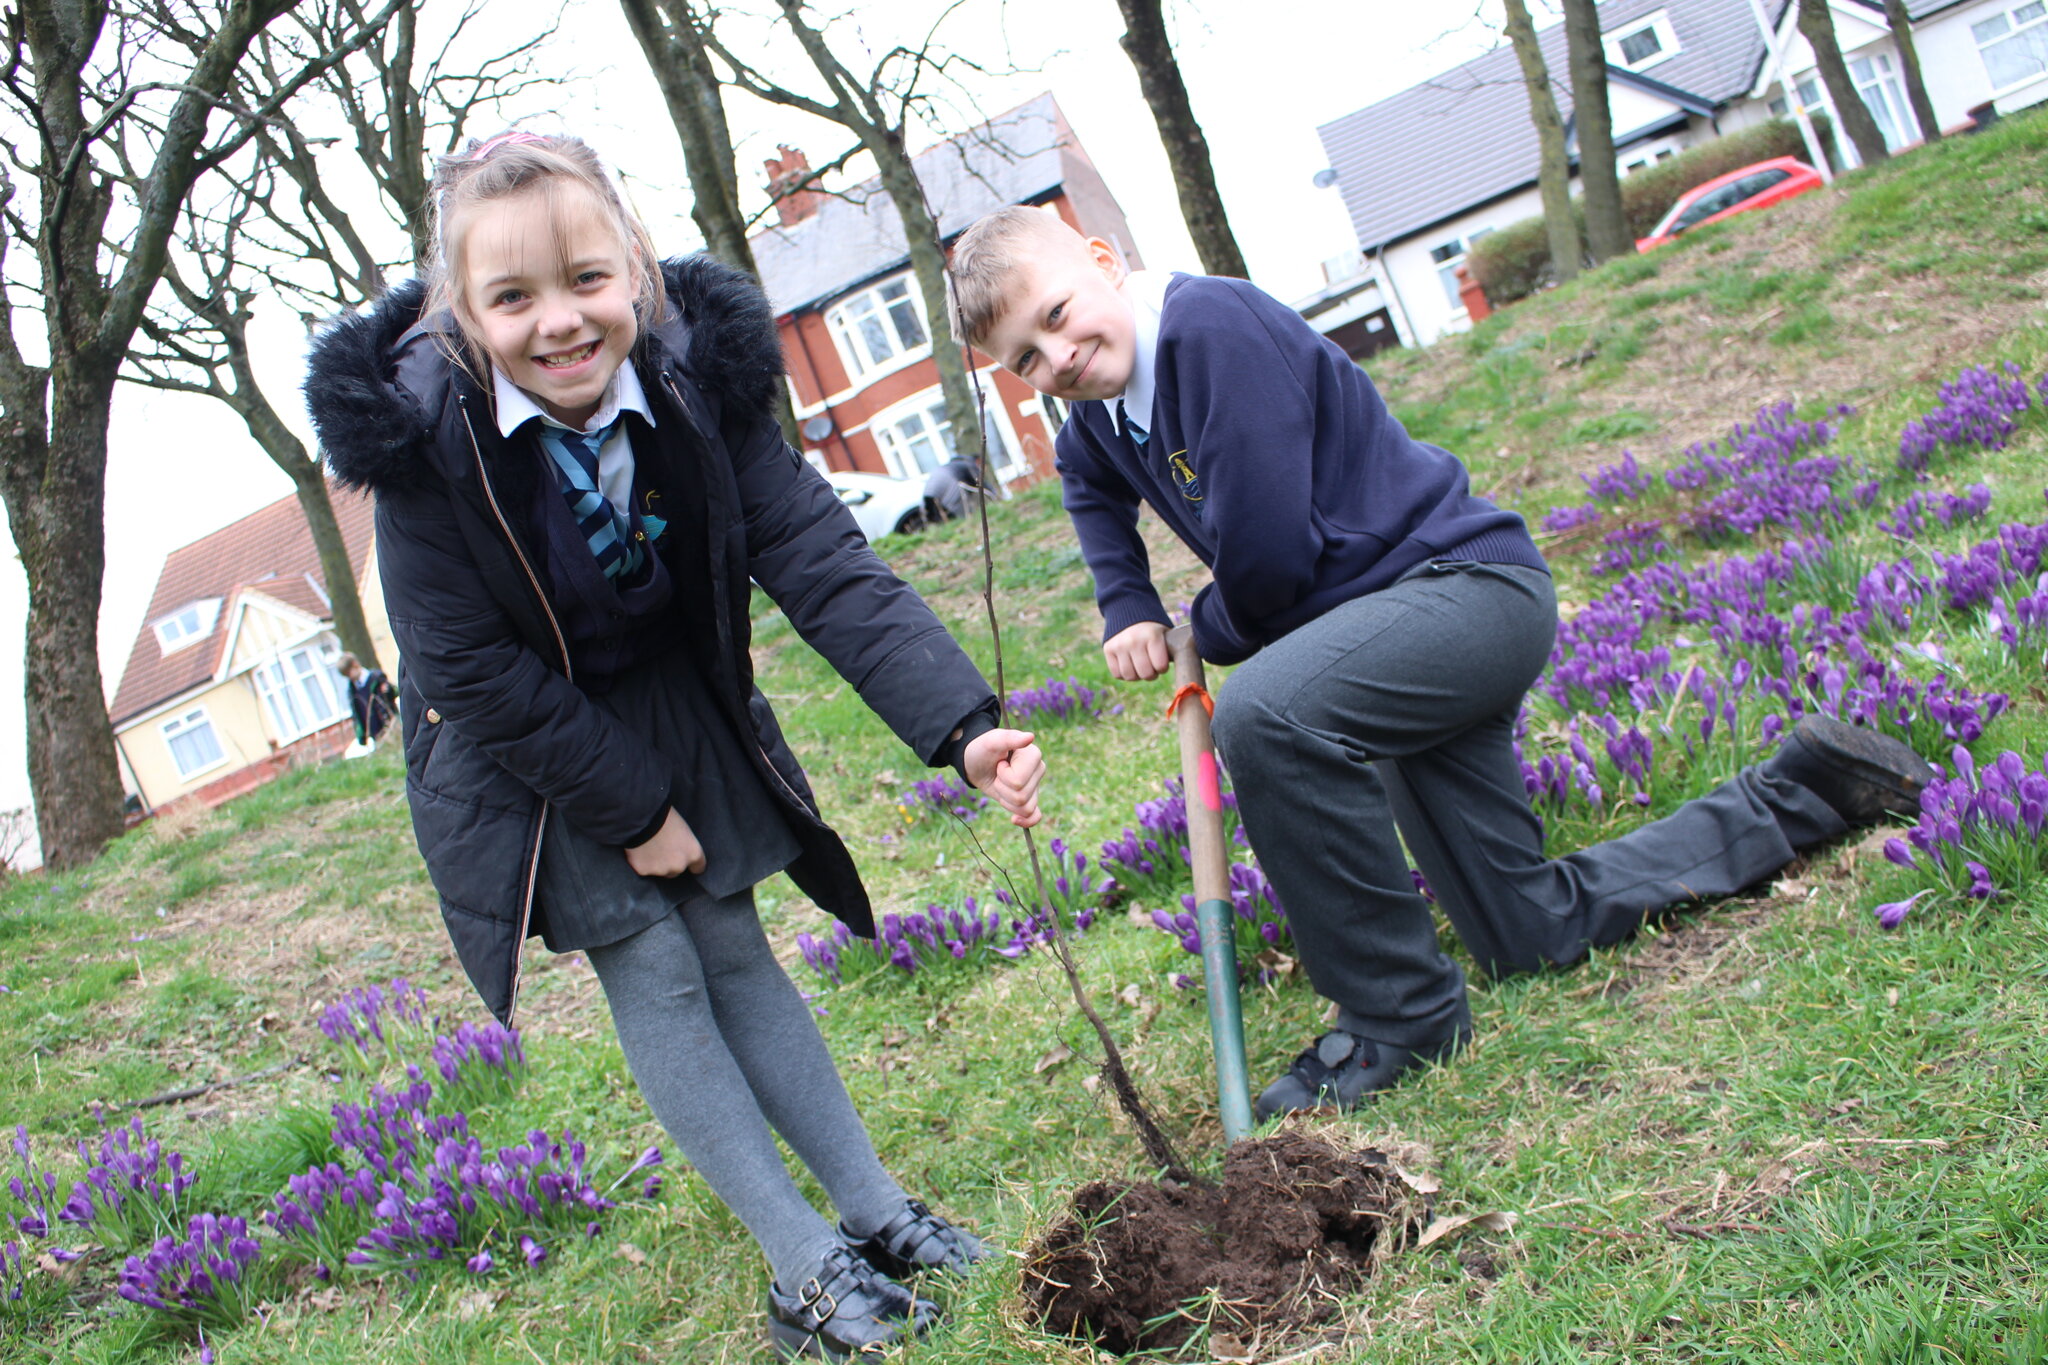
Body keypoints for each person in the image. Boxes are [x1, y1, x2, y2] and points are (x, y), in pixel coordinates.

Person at [307, 131, 1046, 1360]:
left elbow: (818, 557)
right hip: (520, 740)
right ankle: (800, 1267)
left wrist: (961, 726)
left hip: (663, 689)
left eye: (586, 279)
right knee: (653, 961)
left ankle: (870, 1213)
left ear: (636, 268)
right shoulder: (419, 439)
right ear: (459, 308)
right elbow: (466, 667)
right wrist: (633, 812)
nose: (558, 322)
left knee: (735, 946)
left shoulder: (700, 379)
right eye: (511, 297)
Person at [949, 206, 1933, 1121]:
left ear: (1100, 263)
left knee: (1266, 716)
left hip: (1463, 595)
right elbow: (1085, 482)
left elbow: (1269, 557)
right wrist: (1125, 604)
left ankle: (1397, 1016)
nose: (1058, 357)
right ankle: (1800, 792)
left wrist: (1199, 624)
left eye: (1059, 317)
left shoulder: (1207, 330)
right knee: (1528, 930)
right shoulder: (1100, 416)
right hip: (1385, 637)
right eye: (1024, 359)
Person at [335, 652, 398, 746]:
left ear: (355, 664)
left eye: (349, 673)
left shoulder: (376, 678)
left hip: (391, 726)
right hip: (375, 733)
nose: (349, 678)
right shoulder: (352, 691)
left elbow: (394, 692)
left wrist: (388, 690)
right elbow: (357, 715)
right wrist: (361, 735)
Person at [921, 454, 982, 524]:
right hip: (948, 481)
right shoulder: (969, 464)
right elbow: (979, 482)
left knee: (937, 514)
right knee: (957, 511)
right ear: (977, 461)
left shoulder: (953, 463)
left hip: (932, 487)